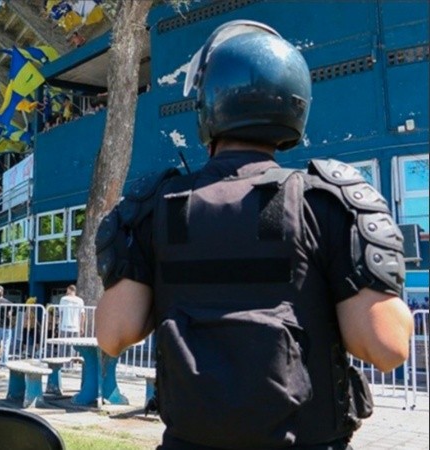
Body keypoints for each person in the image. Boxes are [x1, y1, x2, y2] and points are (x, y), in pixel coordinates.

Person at [94, 20, 413, 450]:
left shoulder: (157, 206)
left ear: (209, 105)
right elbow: (386, 348)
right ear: (295, 103)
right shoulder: (327, 204)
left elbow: (114, 335)